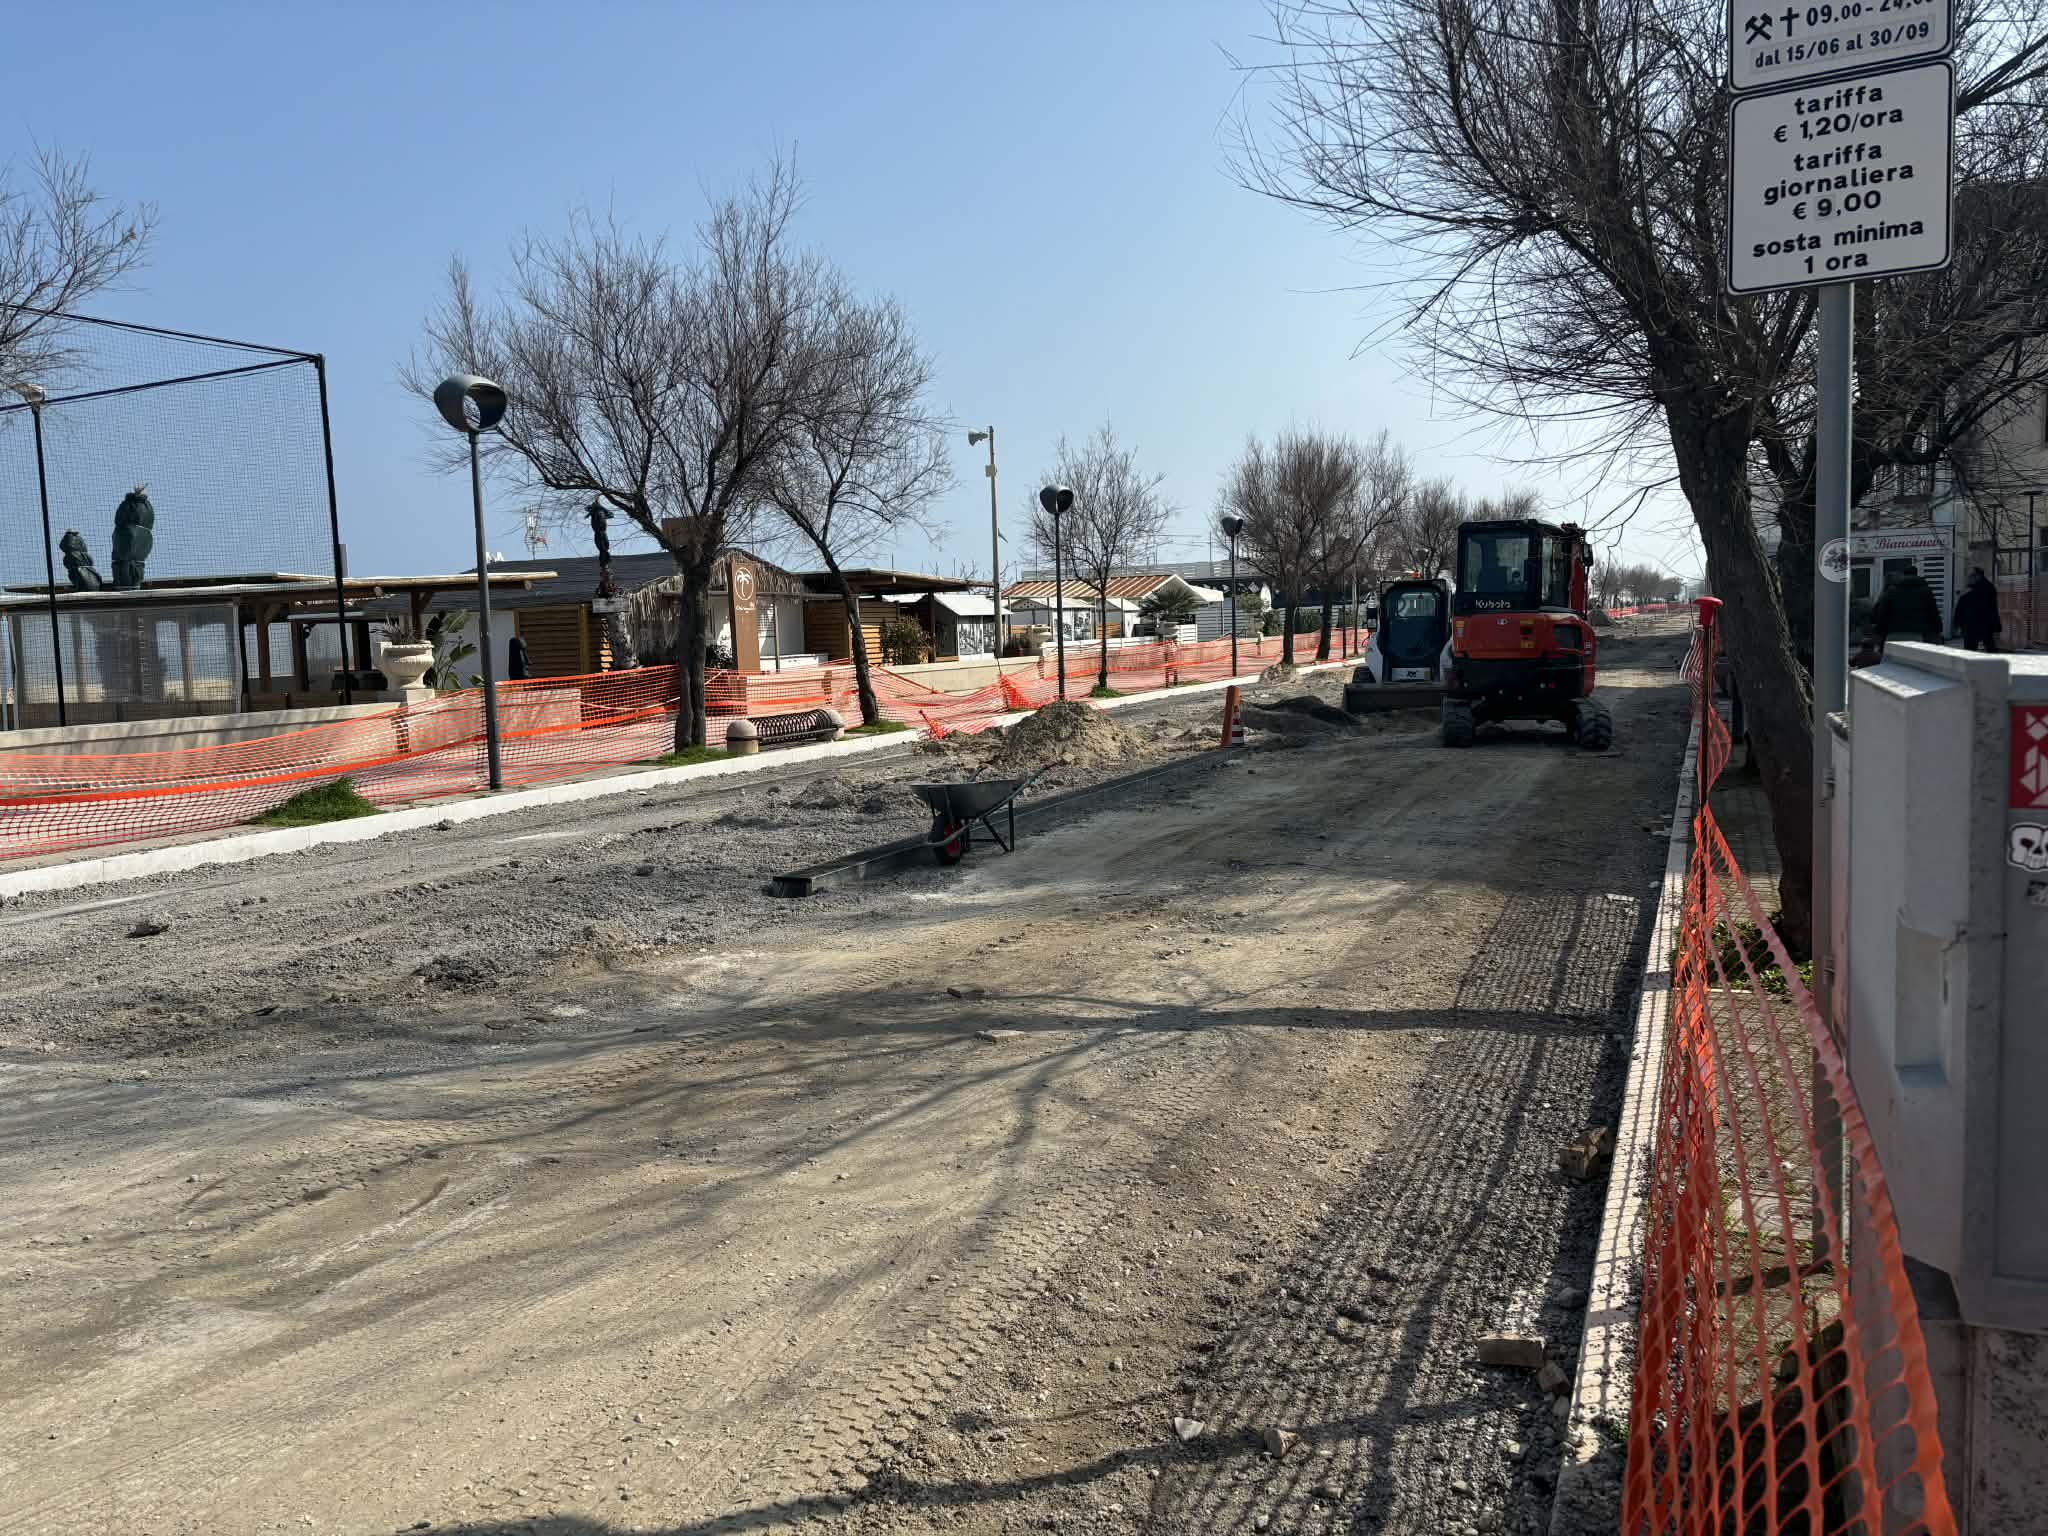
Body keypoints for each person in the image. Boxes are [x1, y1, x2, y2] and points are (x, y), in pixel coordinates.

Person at [1871, 561, 1944, 652]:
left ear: (1903, 575)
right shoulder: (1925, 591)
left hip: (1893, 633)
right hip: (1918, 633)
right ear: (1917, 574)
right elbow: (1933, 612)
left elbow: (1883, 613)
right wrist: (1938, 628)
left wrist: (1879, 631)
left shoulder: (1891, 591)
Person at [1953, 566, 2003, 653]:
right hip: (1984, 625)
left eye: (1971, 576)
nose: (1969, 578)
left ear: (1978, 576)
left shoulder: (1973, 590)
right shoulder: (1988, 587)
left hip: (1974, 625)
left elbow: (1961, 607)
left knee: (1971, 651)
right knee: (1990, 649)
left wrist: (1957, 623)